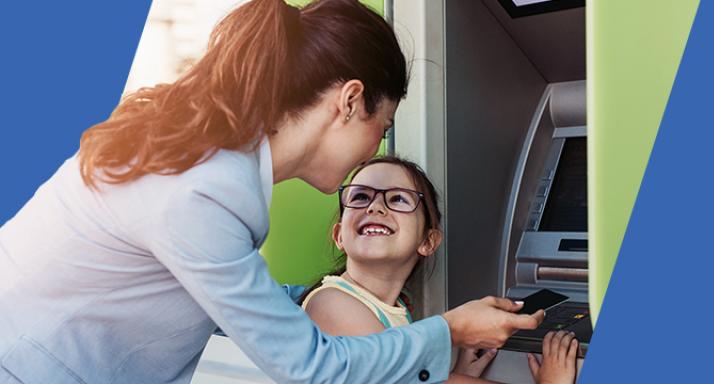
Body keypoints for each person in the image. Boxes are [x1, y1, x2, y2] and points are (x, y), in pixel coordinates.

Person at [0, 1, 544, 383]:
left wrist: (312, 296)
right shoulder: (203, 189)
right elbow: (314, 369)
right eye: (382, 127)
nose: (378, 150)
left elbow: (212, 285)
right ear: (349, 101)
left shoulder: (206, 158)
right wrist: (448, 328)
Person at [300, 156, 578, 384]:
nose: (375, 207)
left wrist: (461, 375)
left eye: (397, 199)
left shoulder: (393, 308)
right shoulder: (331, 303)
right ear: (339, 236)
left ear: (428, 241)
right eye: (360, 197)